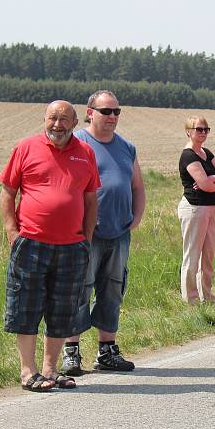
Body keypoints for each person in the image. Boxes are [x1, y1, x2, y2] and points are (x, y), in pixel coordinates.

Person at [0, 100, 100, 391]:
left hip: (72, 246)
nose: (57, 124)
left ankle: (50, 370)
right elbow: (7, 192)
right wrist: (12, 232)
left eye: (64, 119)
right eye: (52, 118)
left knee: (62, 308)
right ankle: (28, 372)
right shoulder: (26, 147)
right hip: (30, 242)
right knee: (25, 307)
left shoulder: (86, 153)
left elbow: (91, 199)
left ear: (75, 122)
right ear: (44, 119)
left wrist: (86, 237)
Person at [59, 91, 146, 376]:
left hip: (119, 231)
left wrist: (136, 217)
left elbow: (136, 187)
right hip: (84, 234)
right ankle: (71, 352)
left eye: (116, 112)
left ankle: (107, 351)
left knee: (113, 289)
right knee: (78, 289)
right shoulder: (77, 144)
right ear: (90, 112)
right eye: (106, 111)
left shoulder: (127, 148)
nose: (111, 117)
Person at [178, 116, 215, 304]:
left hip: (209, 208)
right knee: (192, 256)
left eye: (206, 129)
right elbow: (206, 184)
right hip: (194, 208)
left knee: (208, 256)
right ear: (188, 131)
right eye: (199, 129)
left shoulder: (206, 152)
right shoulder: (188, 155)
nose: (203, 133)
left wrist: (213, 179)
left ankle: (207, 296)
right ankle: (190, 300)